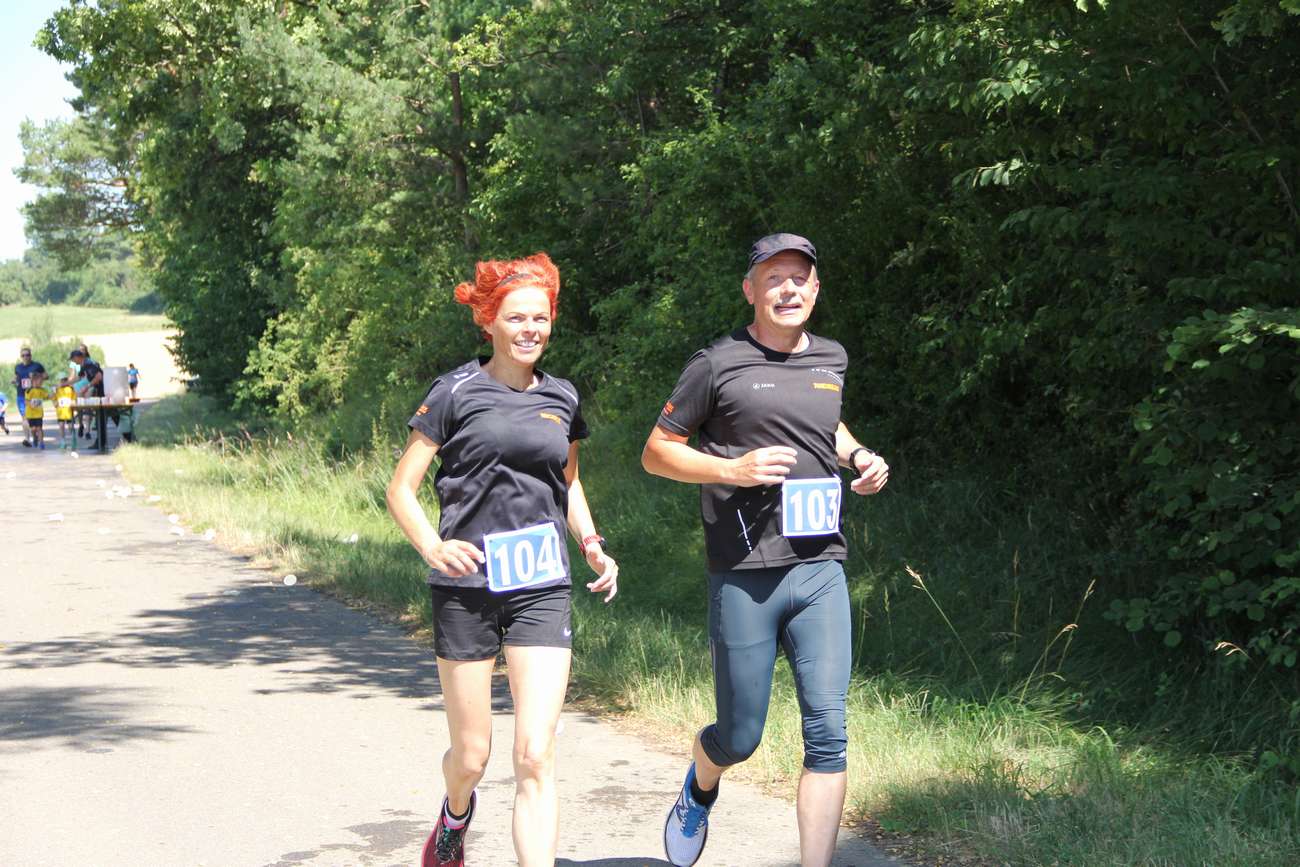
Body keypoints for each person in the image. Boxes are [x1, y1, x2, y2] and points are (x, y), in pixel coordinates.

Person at [643, 233, 890, 867]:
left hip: (820, 565)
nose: (788, 289)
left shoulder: (831, 358)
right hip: (745, 572)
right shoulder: (716, 363)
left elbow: (824, 425)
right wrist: (733, 469)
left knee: (828, 734)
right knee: (740, 736)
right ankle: (701, 785)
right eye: (774, 278)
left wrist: (858, 455)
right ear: (750, 290)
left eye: (799, 278)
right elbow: (657, 453)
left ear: (816, 289)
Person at [385, 252, 619, 867]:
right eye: (516, 317)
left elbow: (568, 482)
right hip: (466, 588)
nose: (530, 329)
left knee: (535, 754)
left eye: (540, 317)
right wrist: (433, 546)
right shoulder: (454, 392)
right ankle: (455, 813)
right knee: (472, 756)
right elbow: (401, 489)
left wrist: (591, 543)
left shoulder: (562, 397)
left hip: (541, 584)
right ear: (489, 321)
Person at [71, 349, 105, 448]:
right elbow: (79, 377)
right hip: (99, 392)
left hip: (101, 391)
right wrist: (66, 384)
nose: (73, 362)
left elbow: (99, 376)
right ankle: (100, 442)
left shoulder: (88, 364)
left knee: (104, 417)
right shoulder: (84, 365)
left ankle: (128, 437)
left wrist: (87, 386)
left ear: (78, 357)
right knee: (101, 418)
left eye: (73, 359)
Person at [13, 347, 43, 447]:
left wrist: (36, 375)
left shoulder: (37, 365)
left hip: (35, 395)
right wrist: (14, 380)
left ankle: (35, 436)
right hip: (21, 395)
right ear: (21, 356)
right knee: (24, 417)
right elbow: (17, 377)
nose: (25, 357)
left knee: (35, 417)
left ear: (31, 355)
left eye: (27, 355)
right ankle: (27, 439)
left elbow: (46, 376)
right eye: (23, 355)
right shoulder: (18, 367)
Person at [23, 370, 53, 450]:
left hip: (39, 413)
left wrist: (53, 395)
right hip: (31, 414)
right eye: (40, 381)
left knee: (39, 428)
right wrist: (31, 404)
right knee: (33, 429)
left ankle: (41, 442)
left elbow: (47, 396)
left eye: (42, 382)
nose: (41, 383)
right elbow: (26, 401)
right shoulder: (29, 390)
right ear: (34, 381)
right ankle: (35, 437)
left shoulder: (42, 390)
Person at [55, 377, 77, 449]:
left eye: (65, 381)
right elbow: (54, 398)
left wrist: (73, 403)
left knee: (70, 426)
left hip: (68, 412)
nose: (63, 382)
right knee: (61, 426)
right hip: (60, 412)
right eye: (62, 381)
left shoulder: (71, 389)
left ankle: (73, 437)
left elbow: (74, 398)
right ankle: (63, 441)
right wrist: (55, 402)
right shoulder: (57, 389)